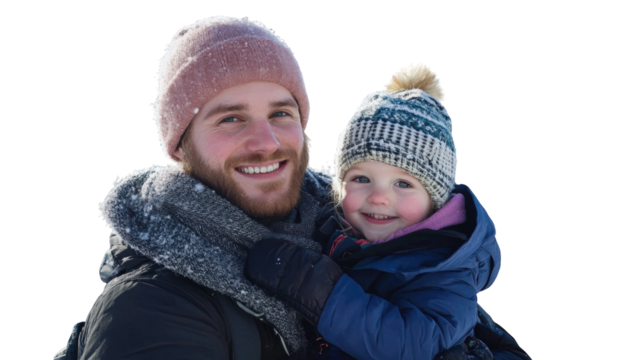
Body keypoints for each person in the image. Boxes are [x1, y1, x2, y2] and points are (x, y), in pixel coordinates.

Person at [54, 14, 529, 360]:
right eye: (231, 118)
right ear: (181, 145)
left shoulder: (355, 236)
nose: (265, 142)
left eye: (281, 113)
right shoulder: (154, 307)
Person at [242, 62, 498, 360]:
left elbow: (408, 344)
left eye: (402, 183)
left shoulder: (445, 269)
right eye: (361, 179)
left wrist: (314, 287)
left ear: (435, 200)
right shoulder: (338, 230)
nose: (378, 197)